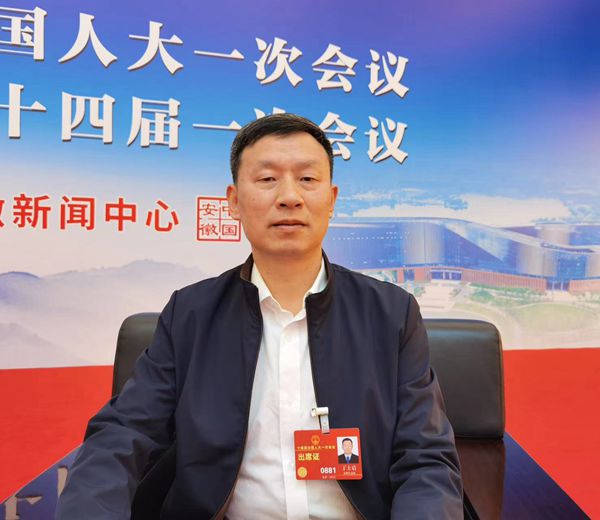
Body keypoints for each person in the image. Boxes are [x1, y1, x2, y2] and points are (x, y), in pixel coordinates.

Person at [56, 114, 463, 519]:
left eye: (307, 179)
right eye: (268, 179)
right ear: (234, 201)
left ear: (332, 199)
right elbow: (123, 434)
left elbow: (425, 458)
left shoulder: (390, 314)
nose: (289, 197)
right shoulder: (190, 315)